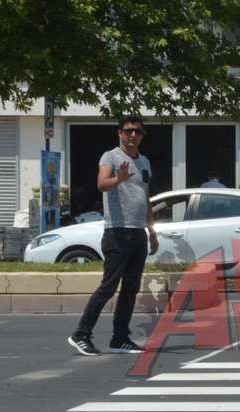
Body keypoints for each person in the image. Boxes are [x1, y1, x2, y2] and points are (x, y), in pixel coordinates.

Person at [68, 115, 158, 356]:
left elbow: (145, 197)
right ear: (119, 133)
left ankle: (120, 338)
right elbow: (101, 183)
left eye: (137, 132)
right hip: (117, 231)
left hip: (138, 232)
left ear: (142, 135)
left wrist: (152, 231)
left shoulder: (145, 162)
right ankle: (81, 334)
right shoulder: (110, 157)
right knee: (108, 287)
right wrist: (119, 178)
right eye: (128, 131)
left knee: (131, 288)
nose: (132, 135)